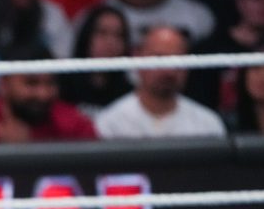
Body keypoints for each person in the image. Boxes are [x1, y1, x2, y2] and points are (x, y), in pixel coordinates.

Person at [95, 25, 227, 139]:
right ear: (138, 59)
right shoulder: (110, 123)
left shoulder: (207, 124)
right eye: (159, 58)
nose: (169, 69)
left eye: (178, 60)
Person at [0, 43, 97, 144]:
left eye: (50, 83)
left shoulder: (74, 125)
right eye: (31, 83)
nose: (43, 94)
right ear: (4, 84)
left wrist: (28, 147)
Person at [58, 5, 134, 120]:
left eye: (118, 35)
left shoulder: (129, 95)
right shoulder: (61, 86)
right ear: (87, 36)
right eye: (102, 33)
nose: (110, 42)